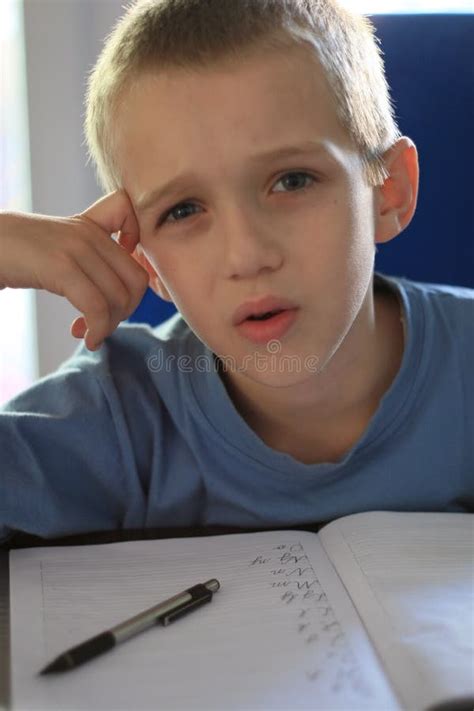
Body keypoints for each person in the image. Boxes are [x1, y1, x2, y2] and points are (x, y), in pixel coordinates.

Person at [0, 0, 472, 545]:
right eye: (183, 210)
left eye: (292, 181)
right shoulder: (121, 415)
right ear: (144, 260)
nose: (246, 256)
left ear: (389, 191)